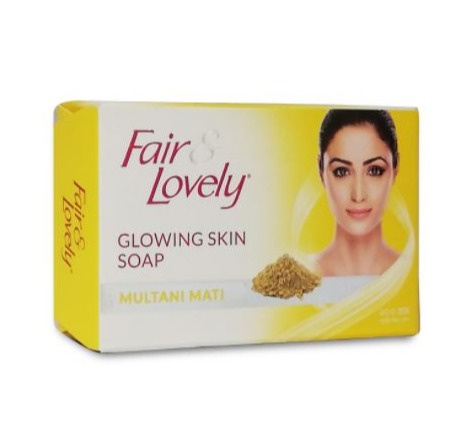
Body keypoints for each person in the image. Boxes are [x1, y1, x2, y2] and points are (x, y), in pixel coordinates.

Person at [315, 109, 400, 276]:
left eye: (374, 171)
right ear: (321, 172)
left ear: (394, 170)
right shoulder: (298, 278)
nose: (358, 195)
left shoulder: (412, 273)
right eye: (341, 172)